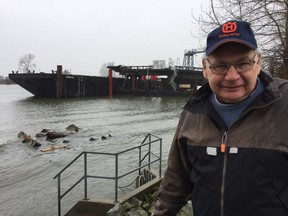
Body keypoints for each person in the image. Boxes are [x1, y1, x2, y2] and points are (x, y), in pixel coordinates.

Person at [153, 20, 288, 216]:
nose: (232, 76)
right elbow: (175, 182)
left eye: (243, 63)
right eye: (220, 66)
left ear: (258, 62)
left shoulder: (284, 105)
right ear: (205, 68)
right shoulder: (193, 110)